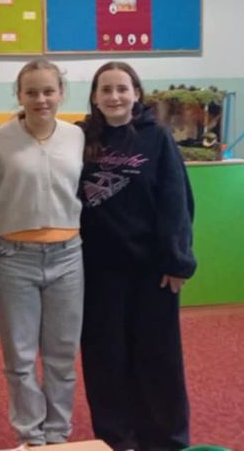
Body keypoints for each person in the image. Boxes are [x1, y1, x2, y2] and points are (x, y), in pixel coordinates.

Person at [79, 61, 195, 451]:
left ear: (136, 94)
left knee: (158, 358)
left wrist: (177, 260)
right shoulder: (81, 138)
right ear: (95, 97)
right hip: (98, 272)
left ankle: (166, 439)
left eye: (122, 89)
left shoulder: (157, 138)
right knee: (105, 358)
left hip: (151, 270)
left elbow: (176, 201)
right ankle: (116, 438)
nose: (114, 96)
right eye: (106, 89)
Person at [0, 58, 84, 446]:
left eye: (48, 91)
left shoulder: (75, 136)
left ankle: (57, 435)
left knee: (62, 357)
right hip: (14, 259)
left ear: (61, 93)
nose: (41, 99)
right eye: (31, 92)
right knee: (20, 359)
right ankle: (31, 437)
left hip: (68, 257)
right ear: (19, 95)